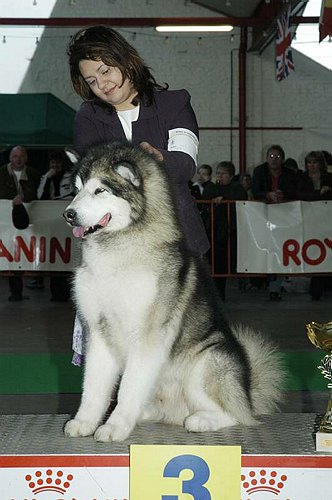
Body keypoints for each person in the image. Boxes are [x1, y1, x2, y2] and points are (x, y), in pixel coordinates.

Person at [67, 25, 209, 364]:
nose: (102, 84)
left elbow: (185, 164)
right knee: (118, 348)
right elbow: (88, 181)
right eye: (91, 80)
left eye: (105, 69)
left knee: (186, 345)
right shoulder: (89, 117)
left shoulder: (175, 104)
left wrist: (156, 161)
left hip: (178, 245)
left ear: (125, 60)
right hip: (115, 251)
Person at [252, 145, 297, 301]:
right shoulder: (259, 172)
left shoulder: (291, 174)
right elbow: (254, 191)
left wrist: (283, 195)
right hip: (264, 217)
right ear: (266, 158)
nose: (274, 160)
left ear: (282, 159)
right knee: (269, 249)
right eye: (271, 156)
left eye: (277, 157)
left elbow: (295, 191)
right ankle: (272, 284)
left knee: (283, 249)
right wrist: (267, 195)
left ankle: (277, 284)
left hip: (284, 217)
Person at [0, 146, 40, 301]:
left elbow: (37, 194)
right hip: (5, 222)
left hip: (27, 220)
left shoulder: (34, 174)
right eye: (15, 156)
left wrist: (23, 196)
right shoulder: (1, 173)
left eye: (21, 156)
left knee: (23, 255)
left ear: (26, 158)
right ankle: (15, 292)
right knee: (10, 255)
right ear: (10, 158)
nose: (18, 159)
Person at [34, 150, 74, 301]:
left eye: (57, 162)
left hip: (66, 224)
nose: (55, 165)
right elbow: (39, 196)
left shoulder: (70, 177)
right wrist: (47, 179)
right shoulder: (45, 177)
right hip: (51, 224)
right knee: (55, 257)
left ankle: (66, 293)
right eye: (52, 163)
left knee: (67, 256)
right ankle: (55, 294)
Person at [296, 150, 332, 301]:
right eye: (309, 162)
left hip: (327, 220)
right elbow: (299, 195)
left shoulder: (329, 178)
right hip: (309, 221)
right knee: (315, 253)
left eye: (315, 162)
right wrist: (319, 193)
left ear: (321, 164)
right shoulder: (302, 178)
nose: (312, 166)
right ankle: (316, 289)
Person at [213, 161, 247, 300]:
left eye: (223, 173)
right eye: (218, 173)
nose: (220, 176)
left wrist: (225, 199)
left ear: (231, 176)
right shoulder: (213, 187)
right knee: (219, 263)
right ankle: (219, 294)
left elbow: (241, 198)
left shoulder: (237, 188)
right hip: (218, 231)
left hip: (234, 230)